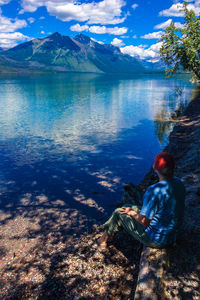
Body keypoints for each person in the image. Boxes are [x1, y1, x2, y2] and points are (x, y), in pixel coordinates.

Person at [97, 152, 186, 250]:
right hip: (173, 234)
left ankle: (101, 241)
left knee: (118, 212)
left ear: (155, 169)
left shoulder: (154, 191)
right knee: (127, 206)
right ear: (173, 168)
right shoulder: (179, 183)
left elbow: (145, 222)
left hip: (157, 240)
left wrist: (131, 213)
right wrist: (132, 211)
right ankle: (112, 230)